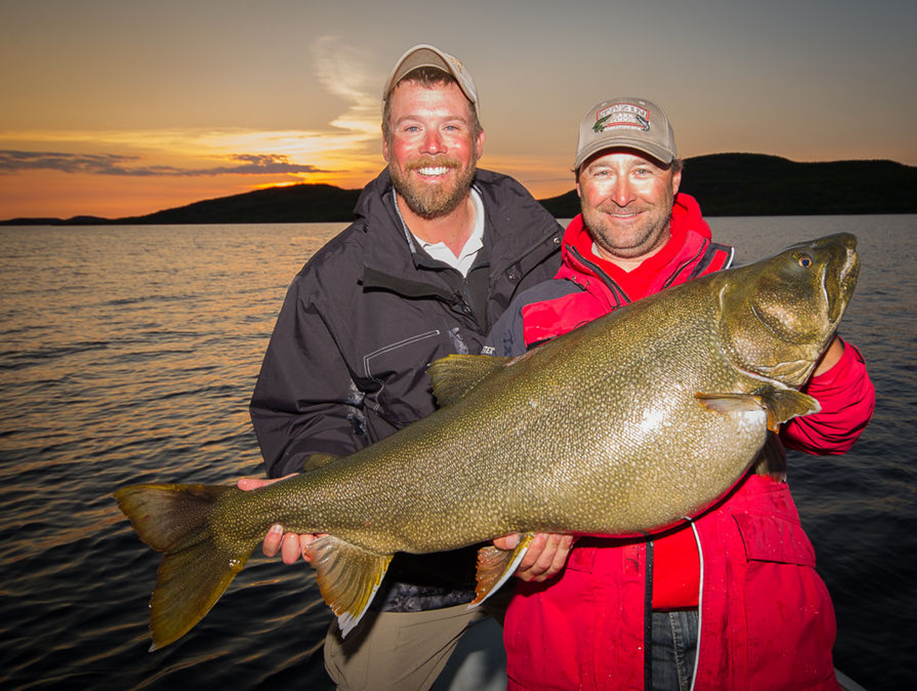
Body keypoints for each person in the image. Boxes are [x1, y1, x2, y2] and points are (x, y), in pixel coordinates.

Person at [485, 97, 876, 690]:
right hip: (581, 639)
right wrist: (512, 538)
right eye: (602, 172)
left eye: (642, 170)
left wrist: (812, 342)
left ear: (675, 178)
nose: (623, 193)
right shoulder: (531, 311)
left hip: (749, 631)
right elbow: (473, 465)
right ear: (579, 186)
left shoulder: (735, 287)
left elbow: (834, 429)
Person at [241, 44, 563, 690]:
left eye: (449, 126)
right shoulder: (328, 282)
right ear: (386, 145)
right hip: (409, 587)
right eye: (411, 127)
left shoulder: (550, 250)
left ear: (476, 140)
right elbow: (304, 413)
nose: (432, 146)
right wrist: (315, 490)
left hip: (549, 559)